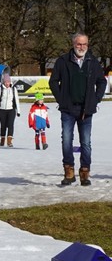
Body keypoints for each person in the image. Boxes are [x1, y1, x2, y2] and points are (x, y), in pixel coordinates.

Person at [49, 32, 107, 186]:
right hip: (68, 109)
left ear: (87, 45)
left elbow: (102, 82)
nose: (81, 47)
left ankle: (84, 172)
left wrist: (95, 100)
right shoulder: (62, 61)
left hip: (86, 110)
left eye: (84, 44)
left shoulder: (93, 62)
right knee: (67, 141)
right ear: (73, 44)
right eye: (79, 44)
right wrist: (61, 99)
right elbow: (53, 82)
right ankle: (69, 172)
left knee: (86, 142)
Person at [0, 74, 20, 147]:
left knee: (10, 125)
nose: (7, 83)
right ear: (4, 82)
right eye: (6, 82)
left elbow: (16, 100)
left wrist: (18, 111)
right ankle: (2, 138)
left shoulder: (13, 89)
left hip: (11, 110)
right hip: (2, 110)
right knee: (3, 125)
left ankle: (9, 140)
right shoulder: (1, 89)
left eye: (8, 82)